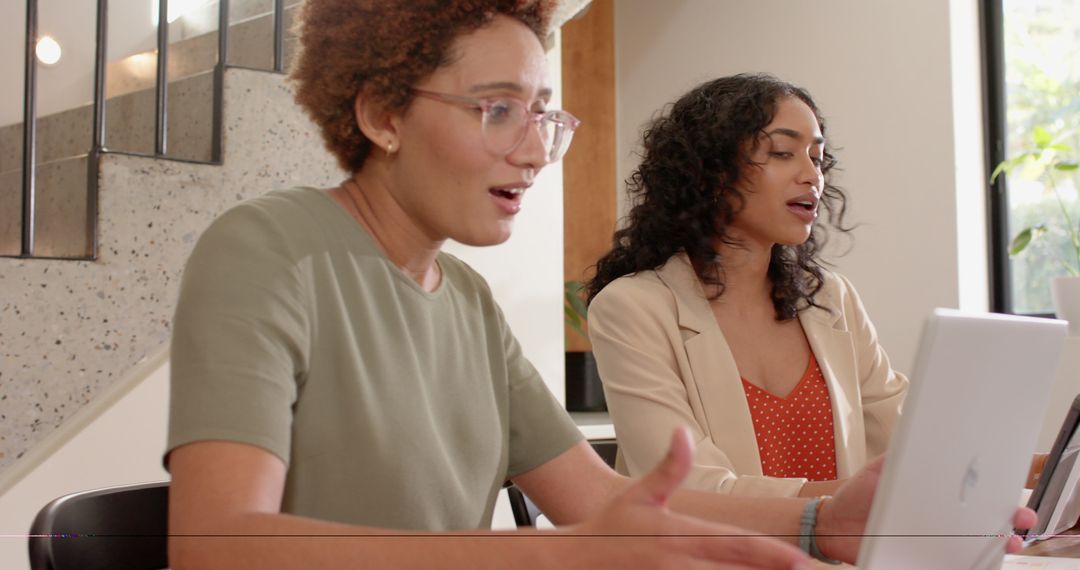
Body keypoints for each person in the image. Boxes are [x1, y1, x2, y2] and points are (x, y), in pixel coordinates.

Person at [164, 4, 1031, 569]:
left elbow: (604, 500)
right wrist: (554, 555)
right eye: (497, 109)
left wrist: (823, 523)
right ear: (382, 115)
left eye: (544, 113)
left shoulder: (463, 298)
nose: (537, 149)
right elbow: (212, 542)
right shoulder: (267, 252)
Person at [586, 74, 907, 498]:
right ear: (711, 171)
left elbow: (902, 437)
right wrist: (833, 511)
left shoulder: (831, 297)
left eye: (817, 157)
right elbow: (689, 490)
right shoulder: (631, 307)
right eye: (782, 152)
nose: (812, 175)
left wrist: (1018, 469)